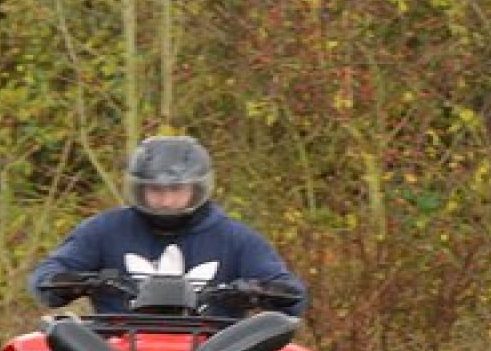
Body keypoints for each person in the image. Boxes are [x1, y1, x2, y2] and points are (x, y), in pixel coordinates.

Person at [29, 135, 309, 319]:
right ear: (139, 189)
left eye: (175, 190)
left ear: (197, 188)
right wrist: (73, 282)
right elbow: (47, 276)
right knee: (39, 346)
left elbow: (292, 295)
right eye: (155, 191)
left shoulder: (236, 239)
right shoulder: (103, 230)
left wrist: (258, 290)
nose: (165, 200)